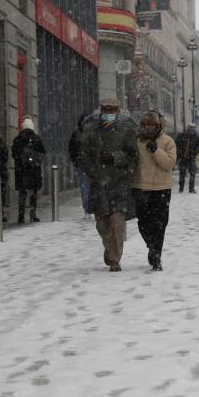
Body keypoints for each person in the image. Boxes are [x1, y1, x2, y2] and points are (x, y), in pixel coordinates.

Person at [76, 98, 138, 272]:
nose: (108, 113)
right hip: (99, 184)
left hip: (119, 183)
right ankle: (110, 249)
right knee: (102, 224)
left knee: (117, 222)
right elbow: (83, 155)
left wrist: (115, 158)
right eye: (105, 110)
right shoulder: (91, 129)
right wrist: (94, 170)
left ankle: (114, 260)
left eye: (112, 110)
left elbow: (133, 156)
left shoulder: (126, 129)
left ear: (117, 111)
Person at [133, 111, 177, 271]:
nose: (149, 128)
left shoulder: (167, 141)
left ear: (158, 126)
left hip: (161, 188)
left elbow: (169, 164)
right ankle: (151, 247)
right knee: (143, 223)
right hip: (141, 187)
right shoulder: (137, 141)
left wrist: (156, 151)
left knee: (160, 224)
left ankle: (156, 256)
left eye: (152, 125)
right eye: (145, 125)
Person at [12, 117, 47, 223]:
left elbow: (14, 154)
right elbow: (43, 152)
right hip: (33, 170)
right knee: (33, 193)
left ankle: (21, 215)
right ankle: (33, 214)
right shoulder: (36, 138)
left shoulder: (18, 139)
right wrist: (35, 161)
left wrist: (21, 160)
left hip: (21, 170)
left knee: (22, 193)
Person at [69, 113, 92, 218]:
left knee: (93, 189)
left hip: (93, 166)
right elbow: (72, 149)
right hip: (82, 166)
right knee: (85, 189)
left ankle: (92, 209)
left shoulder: (94, 133)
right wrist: (76, 161)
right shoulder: (76, 134)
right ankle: (87, 209)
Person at [175, 123, 199, 193]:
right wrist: (193, 153)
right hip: (188, 158)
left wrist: (180, 154)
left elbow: (176, 145)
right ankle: (189, 189)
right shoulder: (193, 136)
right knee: (190, 173)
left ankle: (183, 188)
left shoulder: (183, 135)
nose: (192, 129)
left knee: (184, 173)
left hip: (186, 158)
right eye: (192, 128)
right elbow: (198, 147)